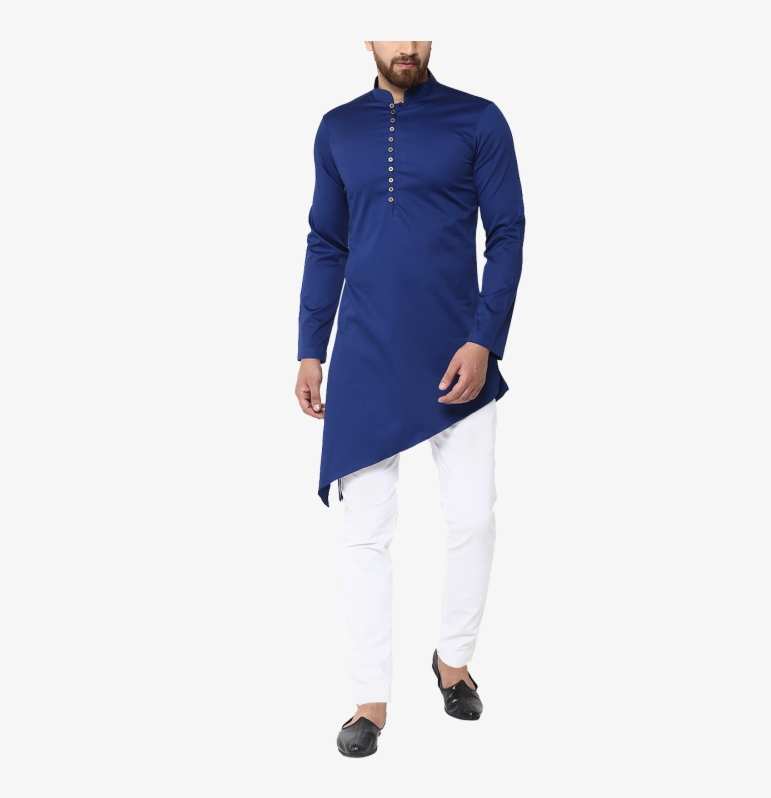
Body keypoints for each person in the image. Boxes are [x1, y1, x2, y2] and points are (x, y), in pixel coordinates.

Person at [294, 41, 525, 758]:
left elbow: (508, 232)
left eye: (418, 32)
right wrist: (310, 348)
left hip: (459, 353)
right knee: (365, 532)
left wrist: (484, 340)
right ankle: (369, 701)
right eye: (392, 33)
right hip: (365, 354)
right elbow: (326, 241)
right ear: (367, 38)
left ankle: (453, 661)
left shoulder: (478, 119)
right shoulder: (338, 128)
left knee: (474, 518)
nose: (406, 47)